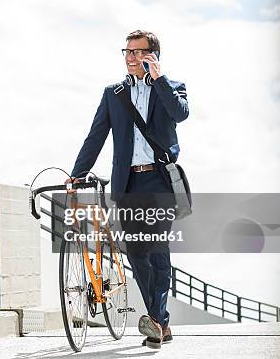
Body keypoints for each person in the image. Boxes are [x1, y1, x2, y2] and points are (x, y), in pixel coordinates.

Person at [68, 30, 189, 349]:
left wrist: (159, 79)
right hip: (128, 183)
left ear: (154, 55)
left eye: (139, 52)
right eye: (128, 51)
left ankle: (156, 320)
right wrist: (77, 174)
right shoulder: (114, 93)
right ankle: (159, 322)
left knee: (157, 249)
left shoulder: (173, 87)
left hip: (160, 181)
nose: (131, 57)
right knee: (137, 255)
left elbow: (180, 114)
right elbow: (96, 137)